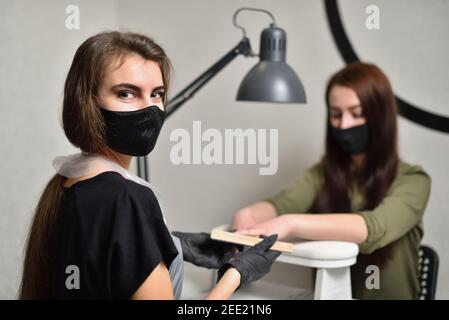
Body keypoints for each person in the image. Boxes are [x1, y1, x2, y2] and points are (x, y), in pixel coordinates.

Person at [19, 31, 280, 300]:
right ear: (88, 101)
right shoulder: (127, 199)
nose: (150, 109)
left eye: (157, 94)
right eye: (126, 94)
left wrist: (173, 244)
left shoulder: (69, 182)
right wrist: (235, 274)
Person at [231, 62, 432, 300]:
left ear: (381, 115)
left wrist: (291, 224)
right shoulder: (324, 173)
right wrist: (248, 216)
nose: (344, 125)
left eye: (356, 113)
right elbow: (281, 203)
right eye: (336, 114)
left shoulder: (414, 181)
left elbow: (373, 228)